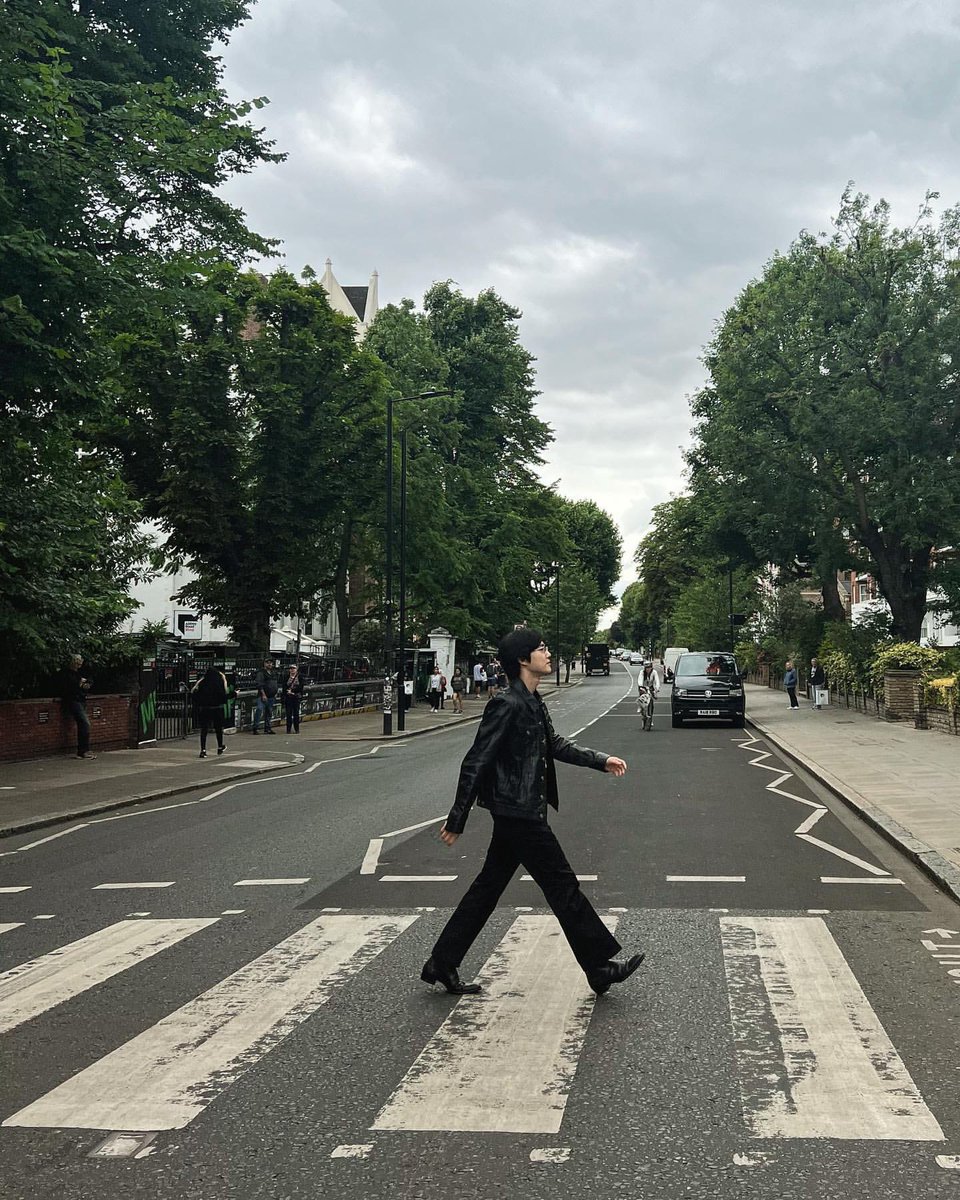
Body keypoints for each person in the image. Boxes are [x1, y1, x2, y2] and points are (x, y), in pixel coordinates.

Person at [421, 627, 644, 998]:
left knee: (487, 889)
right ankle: (599, 967)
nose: (548, 652)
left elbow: (553, 743)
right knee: (562, 886)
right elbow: (476, 760)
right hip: (518, 813)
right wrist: (457, 817)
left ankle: (442, 961)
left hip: (521, 810)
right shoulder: (506, 703)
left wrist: (599, 760)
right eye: (541, 649)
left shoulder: (532, 700)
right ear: (523, 660)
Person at [61, 654, 95, 759]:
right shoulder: (66, 674)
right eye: (77, 661)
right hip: (73, 701)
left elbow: (88, 681)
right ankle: (83, 751)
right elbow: (69, 688)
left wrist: (85, 684)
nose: (79, 664)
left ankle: (84, 750)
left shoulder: (79, 673)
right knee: (85, 724)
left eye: (80, 661)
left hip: (80, 700)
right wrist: (80, 684)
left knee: (83, 725)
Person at [192, 665, 228, 758]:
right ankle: (220, 747)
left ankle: (203, 750)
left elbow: (194, 694)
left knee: (204, 730)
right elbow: (224, 697)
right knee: (218, 729)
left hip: (205, 709)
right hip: (217, 709)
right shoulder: (219, 682)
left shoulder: (203, 683)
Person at [252, 658, 278, 733]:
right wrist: (263, 694)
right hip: (263, 695)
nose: (269, 664)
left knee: (269, 712)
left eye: (271, 663)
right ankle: (255, 727)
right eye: (267, 663)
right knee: (259, 710)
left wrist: (275, 692)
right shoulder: (261, 673)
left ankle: (267, 728)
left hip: (271, 696)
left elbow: (276, 683)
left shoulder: (273, 672)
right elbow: (259, 685)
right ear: (264, 664)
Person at [282, 664, 304, 733]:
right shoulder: (286, 677)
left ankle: (296, 729)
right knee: (288, 714)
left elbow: (301, 687)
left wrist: (293, 691)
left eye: (293, 668)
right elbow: (284, 686)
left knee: (296, 714)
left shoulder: (300, 677)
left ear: (296, 669)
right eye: (291, 668)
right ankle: (288, 729)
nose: (292, 670)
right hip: (288, 697)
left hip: (296, 697)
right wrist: (287, 692)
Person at [637, 660, 661, 726]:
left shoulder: (654, 672)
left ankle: (650, 718)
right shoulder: (642, 672)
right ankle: (640, 708)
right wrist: (641, 686)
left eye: (649, 667)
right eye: (646, 668)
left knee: (651, 702)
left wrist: (657, 688)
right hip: (643, 687)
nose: (648, 669)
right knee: (641, 699)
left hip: (650, 687)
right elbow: (640, 680)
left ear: (651, 667)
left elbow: (657, 681)